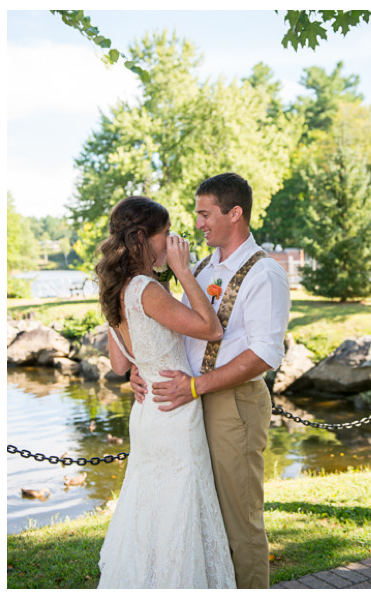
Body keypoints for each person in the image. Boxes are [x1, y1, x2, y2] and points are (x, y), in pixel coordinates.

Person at [130, 173, 291, 589]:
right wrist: (140, 366)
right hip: (188, 403)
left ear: (234, 213)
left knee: (240, 524)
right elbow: (177, 329)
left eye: (205, 213)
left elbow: (264, 355)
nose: (197, 223)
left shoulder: (264, 274)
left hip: (232, 404)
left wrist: (197, 386)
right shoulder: (198, 268)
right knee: (203, 519)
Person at [96, 196, 234, 588]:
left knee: (151, 511)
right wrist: (183, 270)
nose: (172, 241)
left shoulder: (116, 289)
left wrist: (142, 366)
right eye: (165, 234)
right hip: (173, 413)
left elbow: (121, 366)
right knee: (177, 511)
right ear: (142, 238)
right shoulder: (145, 288)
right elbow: (211, 329)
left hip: (146, 414)